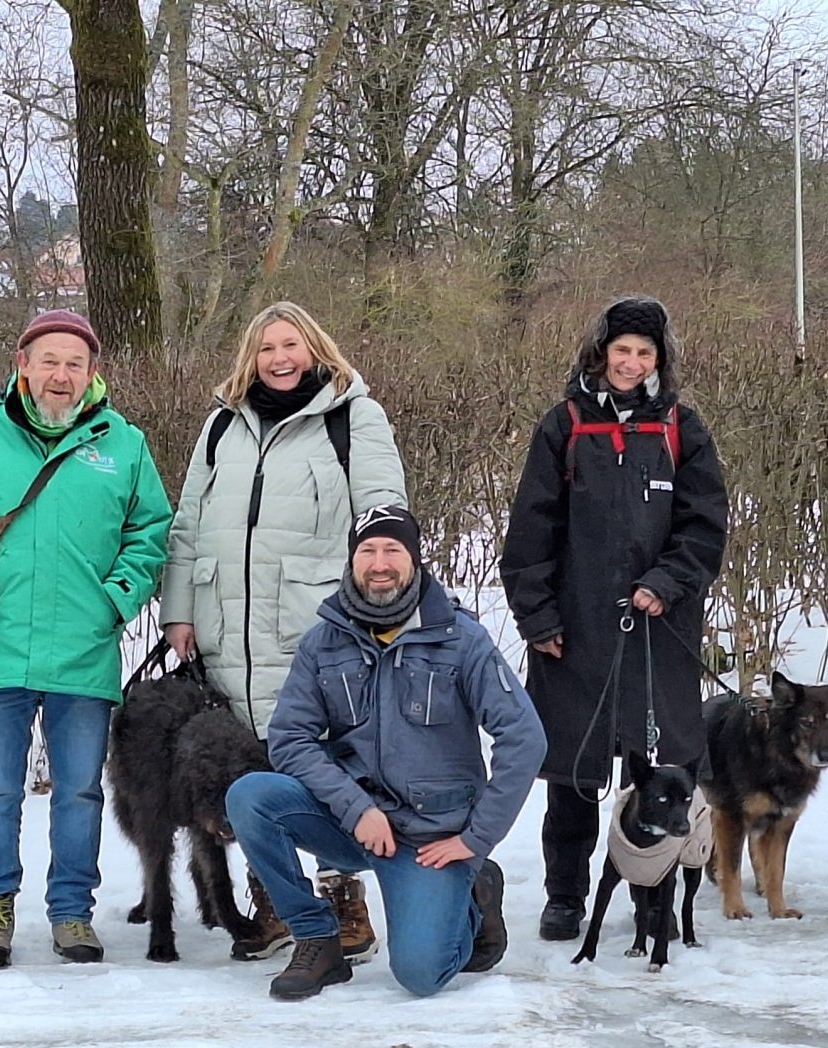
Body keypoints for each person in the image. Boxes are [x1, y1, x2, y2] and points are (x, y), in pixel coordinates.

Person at [0, 309, 172, 968]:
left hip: (84, 648)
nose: (61, 374)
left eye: (75, 363)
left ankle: (72, 911)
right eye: (49, 360)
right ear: (22, 364)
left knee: (79, 792)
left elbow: (152, 531)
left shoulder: (123, 444)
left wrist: (115, 599)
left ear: (92, 372)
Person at [156, 300, 407, 962]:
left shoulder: (353, 418)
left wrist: (377, 612)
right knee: (246, 768)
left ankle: (341, 897)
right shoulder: (221, 425)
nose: (279, 358)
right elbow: (188, 525)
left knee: (326, 762)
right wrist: (179, 609)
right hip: (228, 634)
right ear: (251, 357)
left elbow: (385, 520)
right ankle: (273, 897)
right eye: (267, 348)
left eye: (290, 344)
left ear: (314, 349)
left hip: (316, 631)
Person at [227, 505, 545, 1000]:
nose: (380, 564)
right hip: (351, 823)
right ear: (352, 560)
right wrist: (356, 809)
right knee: (251, 796)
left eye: (392, 550)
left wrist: (476, 837)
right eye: (368, 551)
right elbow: (289, 738)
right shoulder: (323, 642)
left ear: (414, 559)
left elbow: (524, 737)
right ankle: (316, 938)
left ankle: (473, 897)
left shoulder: (461, 639)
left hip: (431, 838)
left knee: (421, 975)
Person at [498, 296, 727, 943]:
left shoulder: (683, 428)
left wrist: (666, 582)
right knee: (572, 775)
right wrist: (538, 617)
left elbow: (705, 527)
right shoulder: (563, 425)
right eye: (621, 350)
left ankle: (650, 892)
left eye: (643, 352)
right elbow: (530, 532)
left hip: (660, 631)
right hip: (574, 633)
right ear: (601, 354)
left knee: (653, 774)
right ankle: (565, 896)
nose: (631, 362)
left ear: (659, 359)